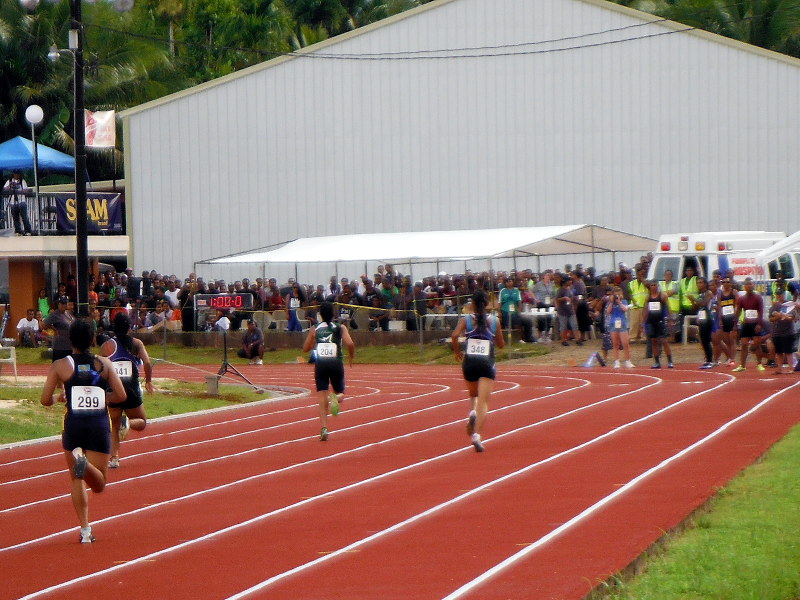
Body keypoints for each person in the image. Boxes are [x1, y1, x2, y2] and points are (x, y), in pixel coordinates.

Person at [40, 318, 126, 543]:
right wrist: (102, 398)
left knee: (76, 479)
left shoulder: (60, 365)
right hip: (98, 426)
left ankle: (85, 530)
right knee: (99, 485)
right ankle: (85, 464)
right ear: (93, 339)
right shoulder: (105, 364)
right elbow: (121, 396)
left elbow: (44, 400)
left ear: (70, 340)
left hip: (74, 426)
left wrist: (60, 399)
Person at [450, 290, 505, 452]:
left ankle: (472, 412)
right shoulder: (494, 321)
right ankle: (477, 436)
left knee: (473, 394)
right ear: (487, 304)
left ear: (472, 305)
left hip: (469, 363)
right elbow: (501, 344)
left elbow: (454, 336)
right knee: (484, 401)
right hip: (486, 364)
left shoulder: (465, 320)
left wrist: (457, 352)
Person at [100, 313, 153, 468]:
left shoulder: (107, 346)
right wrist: (148, 381)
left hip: (113, 388)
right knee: (142, 422)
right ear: (130, 327)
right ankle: (128, 422)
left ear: (114, 327)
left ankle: (114, 458)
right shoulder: (136, 343)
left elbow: (102, 367)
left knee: (114, 425)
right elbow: (148, 363)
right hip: (131, 387)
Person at [302, 301, 355, 441]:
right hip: (336, 364)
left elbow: (305, 348)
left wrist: (314, 343)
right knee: (341, 393)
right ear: (334, 314)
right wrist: (351, 356)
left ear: (320, 314)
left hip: (321, 365)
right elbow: (350, 343)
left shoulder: (315, 329)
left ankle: (324, 429)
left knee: (321, 398)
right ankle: (336, 398)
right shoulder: (340, 327)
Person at [733, 277, 765, 372]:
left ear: (753, 285)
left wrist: (759, 324)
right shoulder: (741, 299)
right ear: (744, 286)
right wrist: (735, 324)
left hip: (755, 323)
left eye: (750, 284)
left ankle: (759, 364)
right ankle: (742, 365)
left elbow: (761, 311)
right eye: (747, 284)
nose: (749, 286)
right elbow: (738, 312)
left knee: (757, 344)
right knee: (744, 345)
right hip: (746, 324)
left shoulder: (758, 297)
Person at [643, 281, 672, 368]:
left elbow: (668, 307)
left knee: (664, 341)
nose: (653, 287)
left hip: (660, 321)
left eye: (654, 285)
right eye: (651, 285)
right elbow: (645, 310)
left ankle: (670, 361)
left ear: (657, 286)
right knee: (653, 341)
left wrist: (670, 319)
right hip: (651, 321)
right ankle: (657, 362)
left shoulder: (662, 296)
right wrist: (643, 323)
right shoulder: (648, 297)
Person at [769, 286, 797, 374]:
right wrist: (778, 316)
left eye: (781, 294)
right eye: (778, 294)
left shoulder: (788, 304)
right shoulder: (774, 305)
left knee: (788, 351)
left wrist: (784, 316)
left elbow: (793, 317)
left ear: (784, 294)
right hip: (777, 332)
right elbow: (771, 318)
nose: (779, 296)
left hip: (787, 331)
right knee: (779, 351)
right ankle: (779, 368)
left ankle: (790, 368)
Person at [606, 286, 634, 368]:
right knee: (615, 343)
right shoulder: (610, 302)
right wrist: (612, 302)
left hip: (622, 323)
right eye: (615, 294)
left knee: (625, 343)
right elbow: (608, 311)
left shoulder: (624, 301)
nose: (617, 296)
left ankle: (627, 360)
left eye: (619, 294)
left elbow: (625, 309)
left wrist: (619, 302)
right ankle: (616, 361)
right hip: (613, 323)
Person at [45, 296, 75, 361]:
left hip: (70, 345)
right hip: (60, 346)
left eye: (65, 303)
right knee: (59, 366)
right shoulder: (55, 314)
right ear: (58, 304)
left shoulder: (68, 313)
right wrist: (54, 329)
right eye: (62, 303)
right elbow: (44, 325)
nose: (64, 305)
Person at [2, 170, 33, 235]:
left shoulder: (22, 181)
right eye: (16, 174)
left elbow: (26, 190)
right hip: (13, 202)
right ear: (14, 174)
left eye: (18, 174)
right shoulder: (9, 181)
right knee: (15, 218)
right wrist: (10, 186)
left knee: (24, 217)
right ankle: (18, 231)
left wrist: (19, 188)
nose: (17, 175)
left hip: (21, 201)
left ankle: (27, 231)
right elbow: (4, 189)